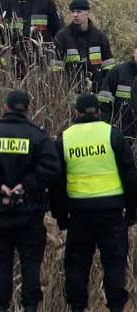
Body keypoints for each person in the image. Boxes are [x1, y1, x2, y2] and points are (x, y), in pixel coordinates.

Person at [0, 90, 59, 312]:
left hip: (0, 213)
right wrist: (26, 186)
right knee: (31, 265)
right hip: (31, 212)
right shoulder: (39, 136)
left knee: (0, 265)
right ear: (28, 109)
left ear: (5, 107)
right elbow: (52, 169)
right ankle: (31, 307)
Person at [51, 93, 137, 312]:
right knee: (114, 264)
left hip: (79, 215)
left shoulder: (65, 138)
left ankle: (78, 307)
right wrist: (132, 212)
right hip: (112, 213)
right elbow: (130, 175)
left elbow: (56, 183)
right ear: (99, 112)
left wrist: (61, 216)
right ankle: (116, 307)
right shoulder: (112, 134)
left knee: (77, 266)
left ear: (76, 113)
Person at [0, 0, 61, 76]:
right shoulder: (5, 0)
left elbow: (57, 30)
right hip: (11, 59)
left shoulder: (45, 0)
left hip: (39, 59)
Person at [52, 0, 116, 92]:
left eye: (79, 11)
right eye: (73, 12)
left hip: (96, 90)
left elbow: (108, 67)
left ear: (88, 12)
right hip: (71, 90)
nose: (75, 15)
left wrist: (104, 88)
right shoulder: (62, 37)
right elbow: (56, 69)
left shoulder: (99, 37)